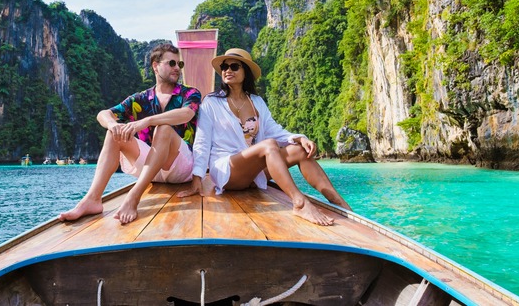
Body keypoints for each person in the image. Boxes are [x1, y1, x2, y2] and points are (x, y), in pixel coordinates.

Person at [178, 48, 351, 226]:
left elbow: (274, 130)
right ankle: (299, 202)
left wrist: (299, 138)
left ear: (246, 72)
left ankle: (339, 202)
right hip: (227, 169)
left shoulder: (256, 102)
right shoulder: (212, 103)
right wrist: (197, 178)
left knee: (300, 150)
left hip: (253, 171)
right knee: (269, 146)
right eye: (224, 66)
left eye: (234, 66)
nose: (227, 70)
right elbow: (202, 141)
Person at [58, 43, 201, 224]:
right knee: (114, 133)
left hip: (180, 166)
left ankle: (134, 196)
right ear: (155, 66)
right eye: (171, 63)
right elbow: (103, 114)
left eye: (179, 65)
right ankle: (92, 199)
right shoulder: (140, 99)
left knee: (164, 128)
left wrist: (147, 121)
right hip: (151, 168)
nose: (176, 68)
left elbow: (187, 114)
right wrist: (112, 124)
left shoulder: (190, 93)